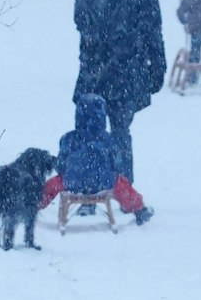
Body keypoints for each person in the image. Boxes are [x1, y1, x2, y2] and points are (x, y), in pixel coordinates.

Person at [74, 0, 165, 183]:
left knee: (121, 129)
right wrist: (99, 40)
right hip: (95, 66)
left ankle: (124, 190)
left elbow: (153, 25)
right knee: (89, 130)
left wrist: (158, 64)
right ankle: (90, 189)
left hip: (128, 67)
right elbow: (81, 18)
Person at [38, 91, 154, 225]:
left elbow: (61, 164)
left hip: (72, 182)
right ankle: (139, 209)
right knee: (122, 185)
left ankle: (33, 204)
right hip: (102, 181)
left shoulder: (69, 139)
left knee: (52, 185)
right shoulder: (108, 139)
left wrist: (70, 172)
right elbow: (116, 163)